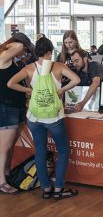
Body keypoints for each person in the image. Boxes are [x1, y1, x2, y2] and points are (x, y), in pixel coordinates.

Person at [8, 37, 80, 200]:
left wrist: (29, 90)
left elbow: (11, 83)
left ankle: (46, 188)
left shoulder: (29, 68)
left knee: (40, 152)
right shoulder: (58, 66)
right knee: (62, 151)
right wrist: (61, 90)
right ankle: (59, 188)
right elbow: (77, 80)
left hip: (34, 116)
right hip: (54, 116)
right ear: (49, 52)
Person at [0, 33, 34, 195]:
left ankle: (7, 173)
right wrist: (19, 43)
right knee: (4, 147)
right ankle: (1, 182)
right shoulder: (4, 56)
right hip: (7, 107)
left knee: (11, 145)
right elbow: (18, 46)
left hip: (17, 106)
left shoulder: (11, 60)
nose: (24, 52)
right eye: (25, 48)